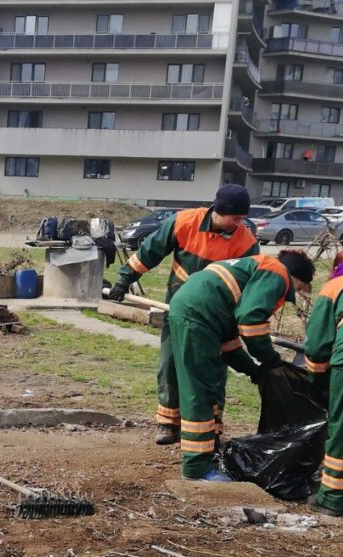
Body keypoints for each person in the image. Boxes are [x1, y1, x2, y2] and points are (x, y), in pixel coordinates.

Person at [109, 184, 259, 445]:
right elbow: (150, 251)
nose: (239, 224)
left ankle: (211, 426)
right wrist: (124, 279)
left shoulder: (245, 242)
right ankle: (168, 423)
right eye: (235, 218)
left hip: (217, 317)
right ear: (220, 211)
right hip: (178, 310)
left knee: (213, 370)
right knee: (170, 364)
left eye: (242, 219)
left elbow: (247, 286)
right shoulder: (183, 222)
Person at [169, 250, 315, 482]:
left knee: (209, 386)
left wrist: (253, 370)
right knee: (199, 391)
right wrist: (269, 359)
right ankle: (196, 468)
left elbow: (230, 345)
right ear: (297, 277)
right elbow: (251, 321)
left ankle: (207, 451)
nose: (293, 292)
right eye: (298, 288)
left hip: (200, 312)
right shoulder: (277, 273)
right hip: (198, 316)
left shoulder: (254, 269)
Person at [303, 252, 343, 516]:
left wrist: (317, 382)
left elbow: (318, 346)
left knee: (341, 431)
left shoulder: (335, 286)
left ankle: (332, 498)